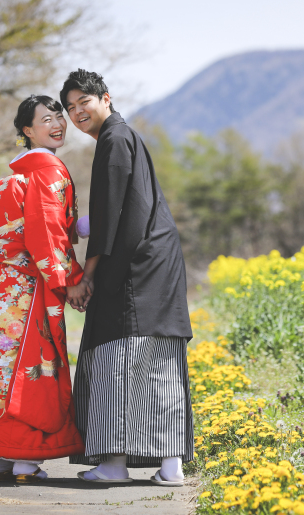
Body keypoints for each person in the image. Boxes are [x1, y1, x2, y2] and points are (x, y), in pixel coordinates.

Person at [60, 69, 194, 486]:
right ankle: (170, 466)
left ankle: (115, 465)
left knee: (117, 358)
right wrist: (89, 225)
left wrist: (87, 277)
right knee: (156, 361)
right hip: (154, 260)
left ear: (106, 98)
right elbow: (112, 213)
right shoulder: (120, 137)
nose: (77, 112)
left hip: (136, 264)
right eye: (70, 107)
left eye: (84, 102)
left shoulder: (114, 140)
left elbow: (111, 219)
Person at [0, 95, 86, 483]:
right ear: (27, 131)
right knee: (32, 365)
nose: (57, 124)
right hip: (25, 288)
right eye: (46, 119)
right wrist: (72, 281)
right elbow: (45, 235)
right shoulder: (47, 171)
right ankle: (27, 461)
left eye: (58, 117)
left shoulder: (15, 177)